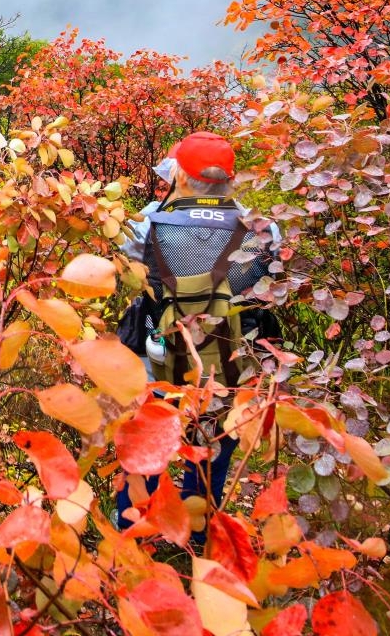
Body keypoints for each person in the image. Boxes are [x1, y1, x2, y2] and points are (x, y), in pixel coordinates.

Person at [119, 131, 280, 517]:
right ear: (231, 178)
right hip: (226, 367)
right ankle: (200, 529)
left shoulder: (147, 224)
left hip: (157, 363)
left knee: (145, 454)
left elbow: (129, 269)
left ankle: (134, 531)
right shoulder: (264, 230)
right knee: (210, 455)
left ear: (181, 175)